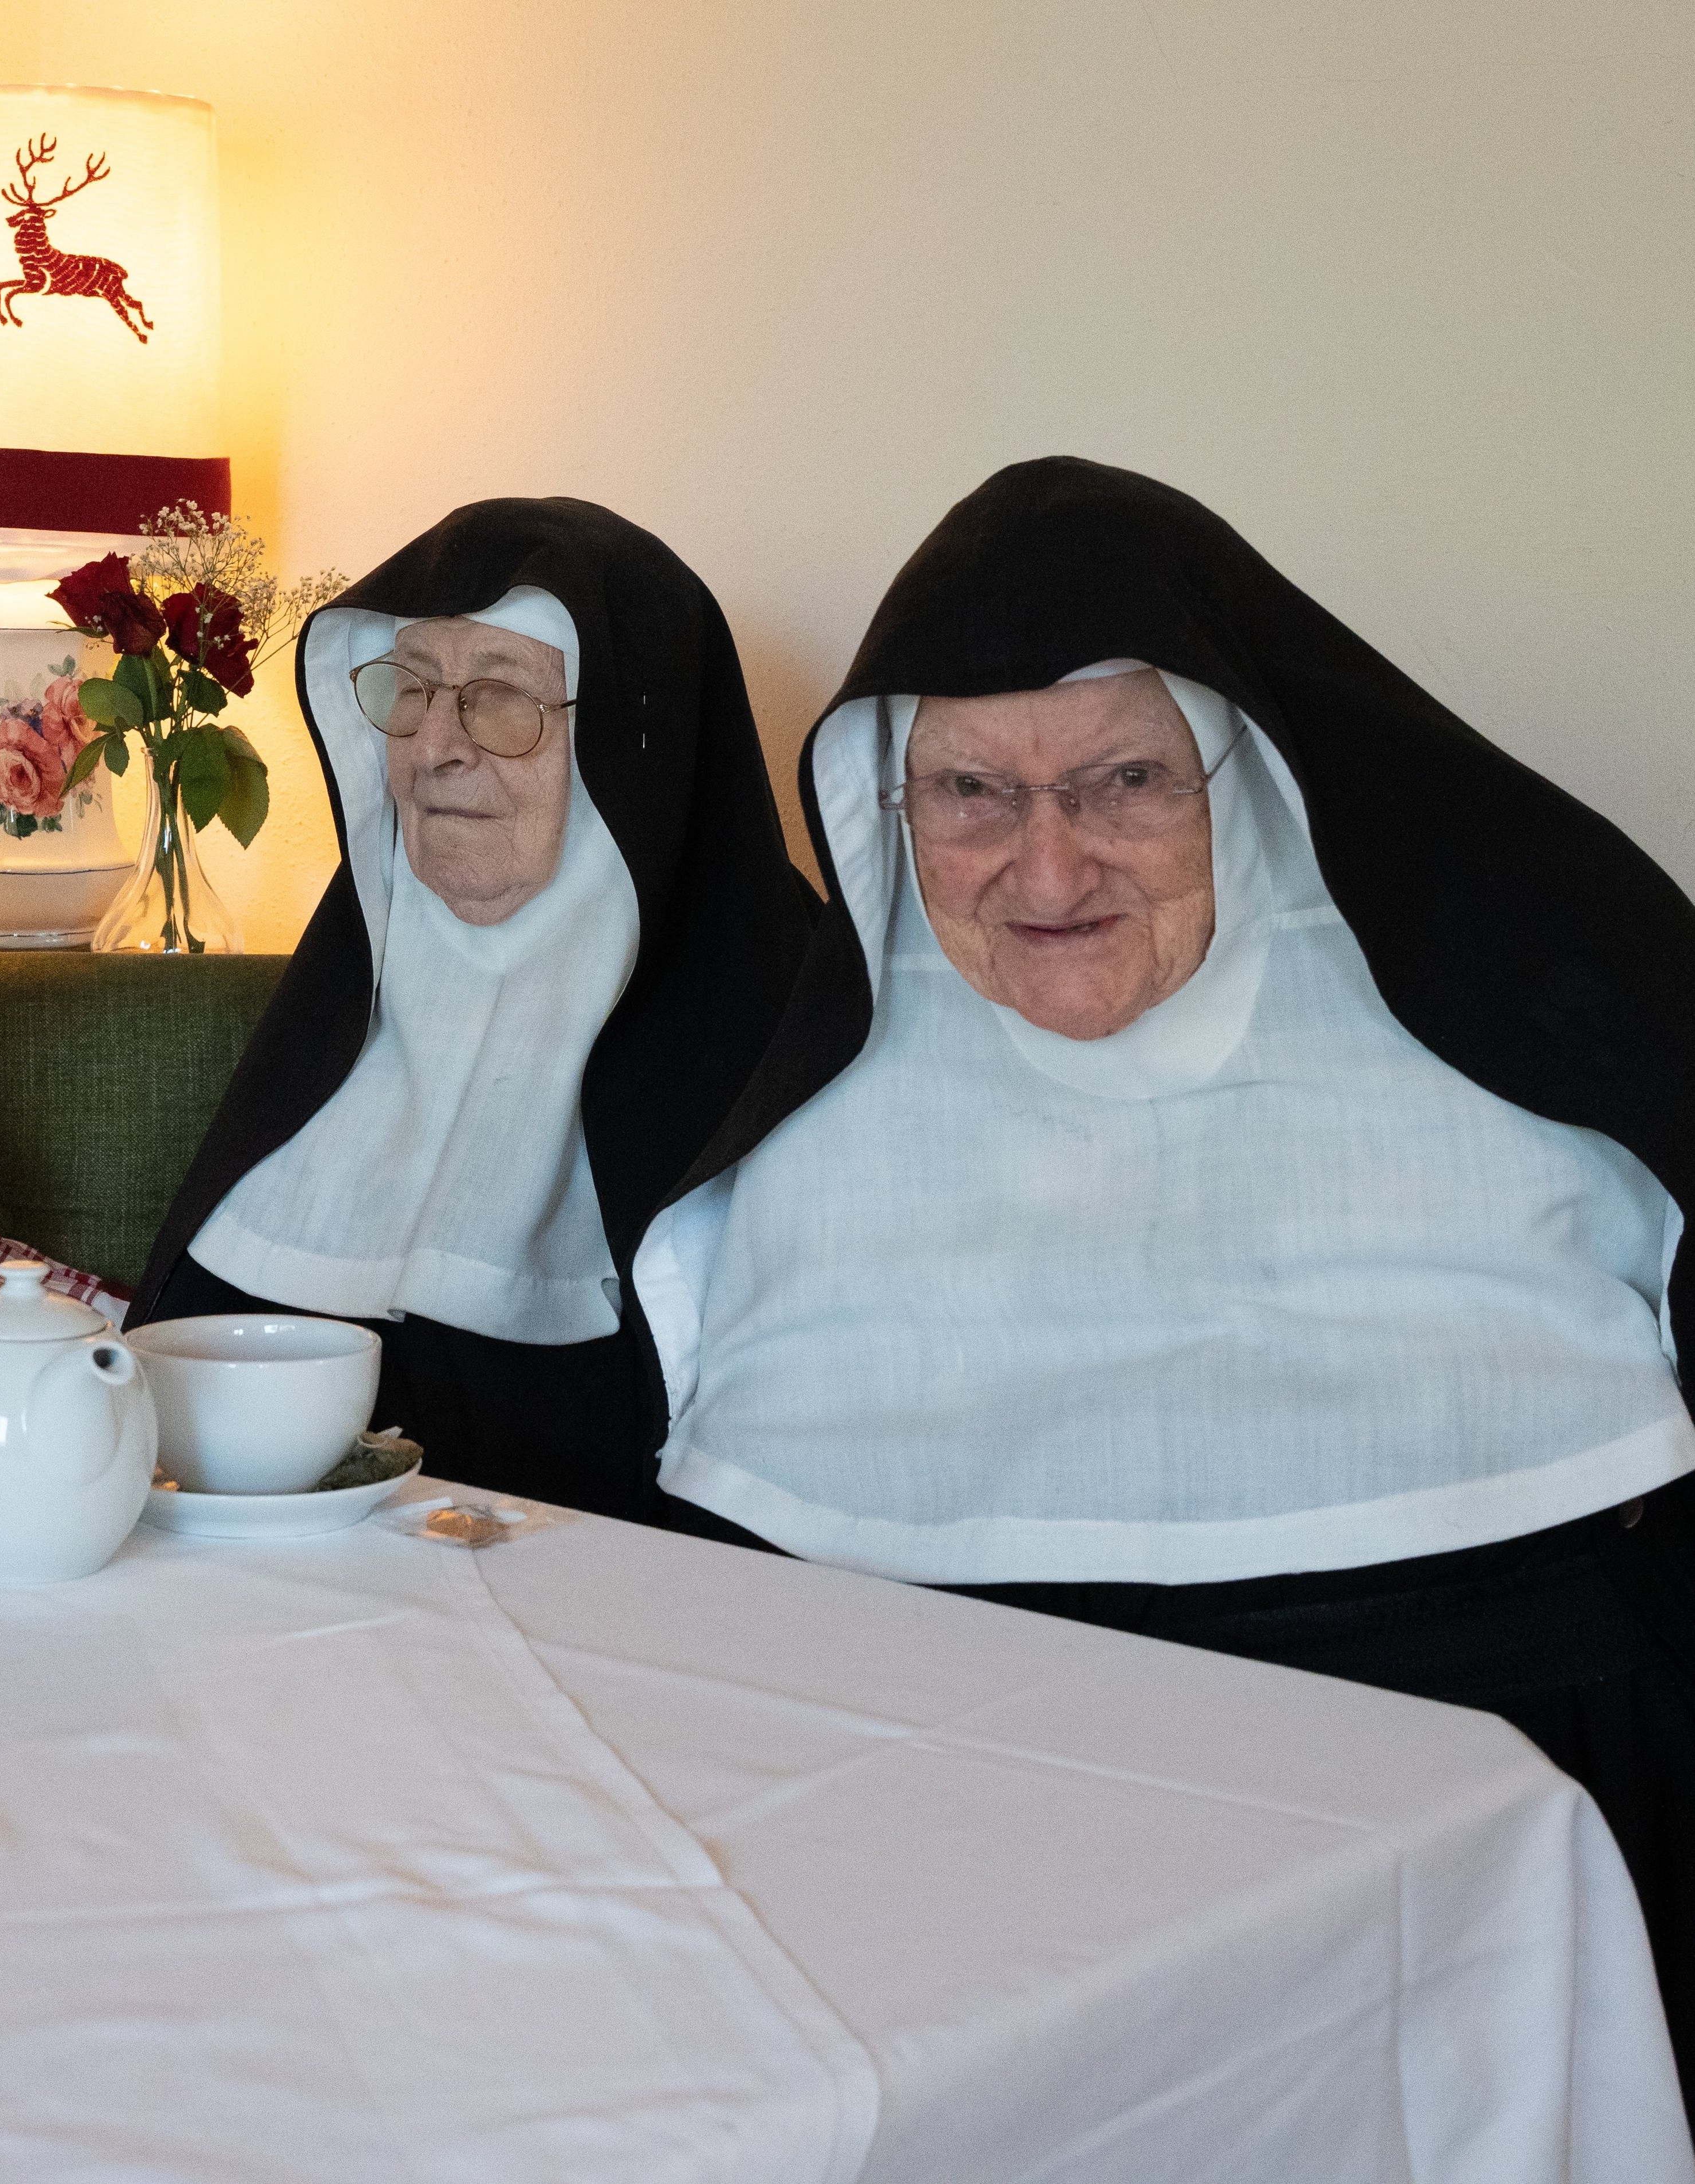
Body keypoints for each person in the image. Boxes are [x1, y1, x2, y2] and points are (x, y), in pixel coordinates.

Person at [640, 455, 1695, 2083]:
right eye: (970, 793)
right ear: (886, 806)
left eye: (1124, 782)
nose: (1044, 871)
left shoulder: (1506, 1060)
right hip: (965, 1858)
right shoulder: (819, 1138)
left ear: (1248, 778)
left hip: (1480, 1803)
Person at [132, 498, 818, 1518]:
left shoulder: (788, 1044)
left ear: (640, 743)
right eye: (410, 692)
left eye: (501, 699)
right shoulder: (340, 1003)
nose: (433, 748)